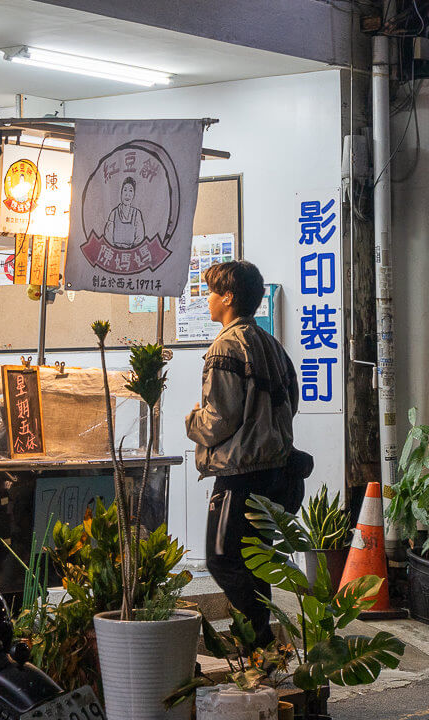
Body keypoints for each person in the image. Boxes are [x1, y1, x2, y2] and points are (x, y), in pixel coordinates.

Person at [186, 261, 298, 648]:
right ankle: (260, 654)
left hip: (239, 473)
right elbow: (291, 402)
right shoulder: (270, 344)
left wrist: (191, 422)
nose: (208, 300)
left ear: (228, 298)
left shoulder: (226, 346)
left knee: (223, 559)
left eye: (212, 293)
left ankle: (261, 643)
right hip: (274, 470)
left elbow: (220, 418)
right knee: (255, 559)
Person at [103, 176, 146, 248]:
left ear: (134, 194)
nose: (127, 194)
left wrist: (131, 249)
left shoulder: (137, 214)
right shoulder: (114, 213)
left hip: (132, 252)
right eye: (125, 190)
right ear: (121, 192)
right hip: (115, 252)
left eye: (131, 191)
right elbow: (108, 236)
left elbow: (140, 237)